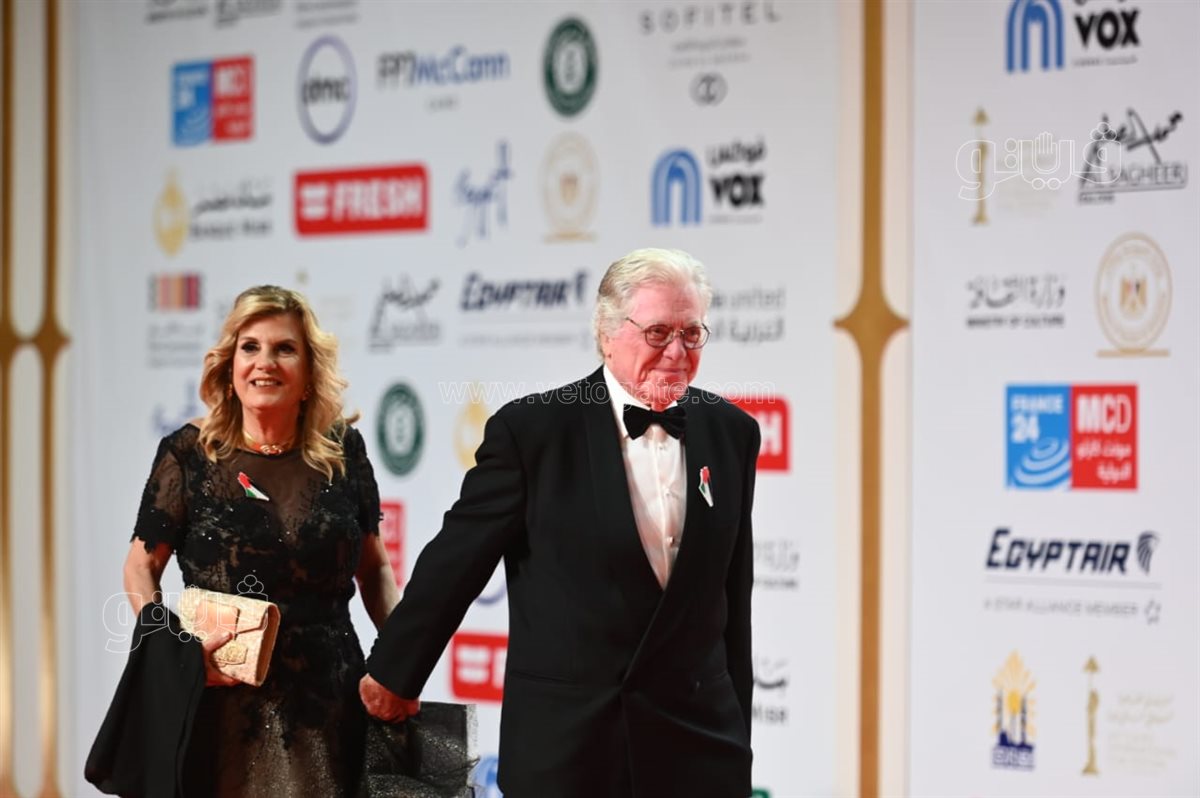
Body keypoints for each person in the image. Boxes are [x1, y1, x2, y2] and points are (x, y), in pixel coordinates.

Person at [360, 248, 761, 797]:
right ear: (607, 332)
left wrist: (737, 739)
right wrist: (394, 673)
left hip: (697, 749)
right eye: (659, 333)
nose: (677, 352)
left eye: (692, 334)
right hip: (571, 749)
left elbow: (732, 600)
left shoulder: (732, 432)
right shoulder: (534, 432)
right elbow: (457, 561)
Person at [111, 285, 398, 796]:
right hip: (221, 702)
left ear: (309, 372)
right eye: (250, 347)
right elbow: (140, 566)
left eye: (284, 348)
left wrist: (401, 660)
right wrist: (172, 649)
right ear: (230, 365)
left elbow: (374, 568)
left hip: (331, 704)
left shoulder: (344, 453)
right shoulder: (189, 454)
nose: (265, 362)